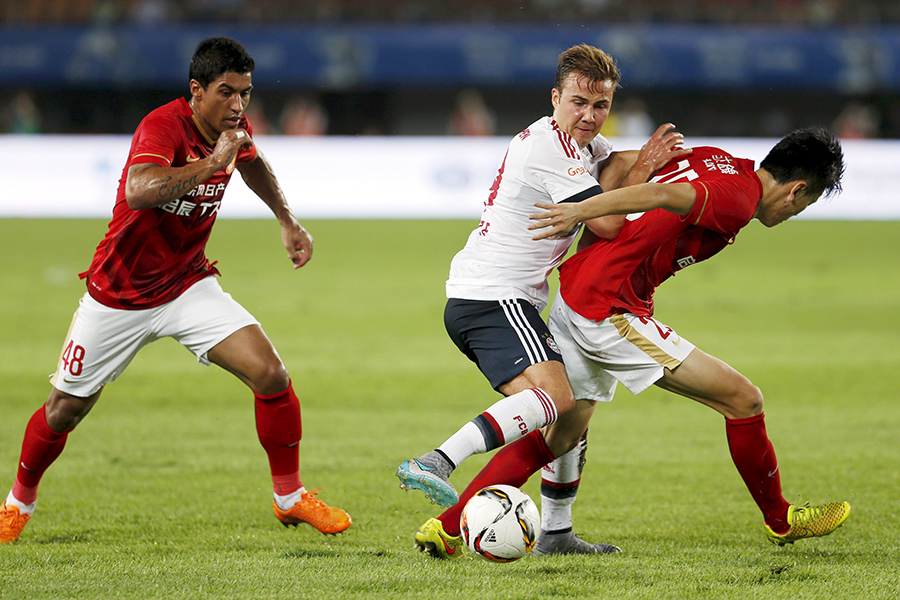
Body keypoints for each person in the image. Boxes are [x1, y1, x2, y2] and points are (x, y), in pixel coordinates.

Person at [432, 127, 851, 553]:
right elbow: (659, 197)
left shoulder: (716, 159)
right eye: (805, 204)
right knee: (744, 400)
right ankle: (781, 521)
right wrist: (582, 211)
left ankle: (448, 528)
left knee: (562, 434)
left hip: (580, 292)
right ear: (796, 191)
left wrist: (631, 179)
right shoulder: (737, 200)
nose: (793, 213)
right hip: (609, 310)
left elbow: (618, 167)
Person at [0, 37, 350, 544]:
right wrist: (211, 164)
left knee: (271, 374)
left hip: (187, 284)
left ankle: (289, 498)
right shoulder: (163, 125)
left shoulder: (234, 128)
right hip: (118, 294)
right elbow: (138, 191)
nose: (238, 105)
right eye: (226, 93)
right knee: (64, 408)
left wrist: (286, 220)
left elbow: (250, 161)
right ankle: (17, 503)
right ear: (196, 90)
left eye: (245, 94)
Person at [395, 43, 690, 558]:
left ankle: (556, 532)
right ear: (556, 97)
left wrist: (648, 161)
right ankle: (437, 461)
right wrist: (645, 170)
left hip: (498, 297)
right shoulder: (547, 147)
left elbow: (614, 164)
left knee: (568, 415)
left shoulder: (578, 145)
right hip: (495, 295)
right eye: (578, 102)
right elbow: (606, 220)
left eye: (601, 106)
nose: (590, 116)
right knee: (558, 400)